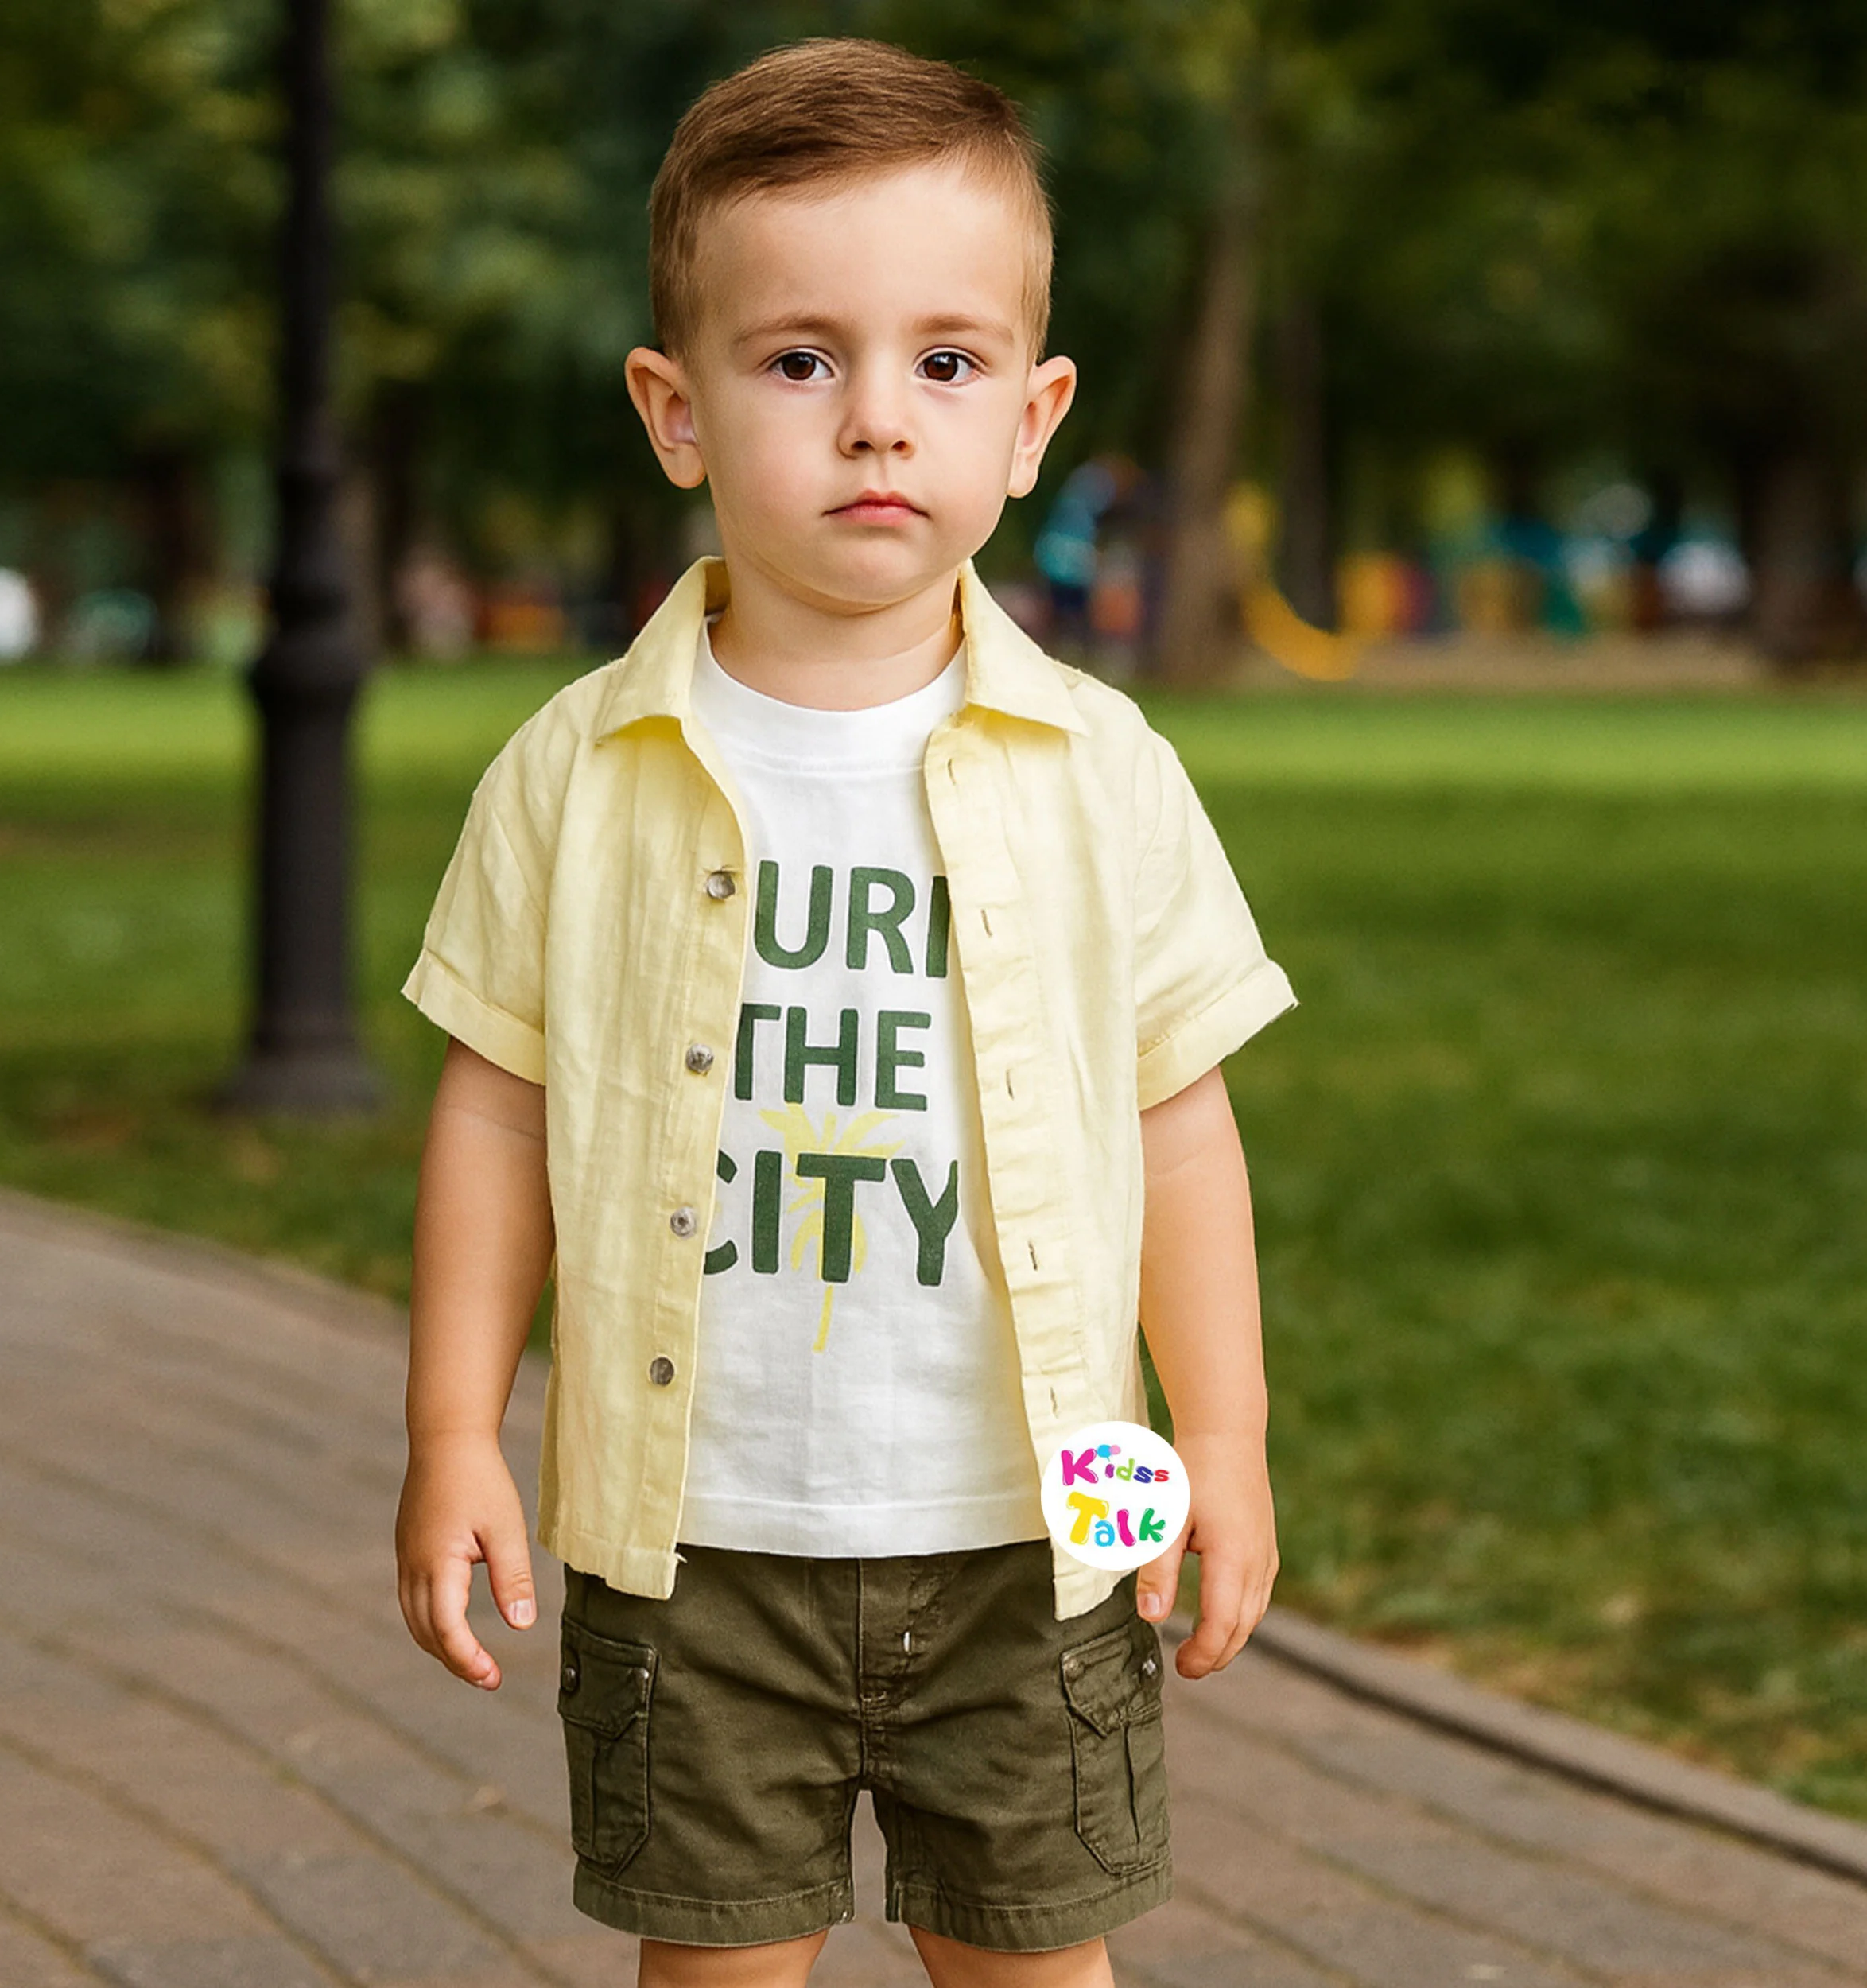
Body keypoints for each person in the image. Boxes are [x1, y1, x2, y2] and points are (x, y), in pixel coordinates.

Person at [394, 37, 1296, 1988]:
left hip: (1037, 1521)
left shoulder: (1100, 767)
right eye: (800, 358)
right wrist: (455, 1421)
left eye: (944, 364)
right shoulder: (576, 770)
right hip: (693, 1527)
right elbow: (489, 1108)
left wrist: (1212, 1434)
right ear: (677, 409)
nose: (876, 419)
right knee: (716, 1960)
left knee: (1037, 1956)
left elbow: (1176, 1121)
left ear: (1034, 417)